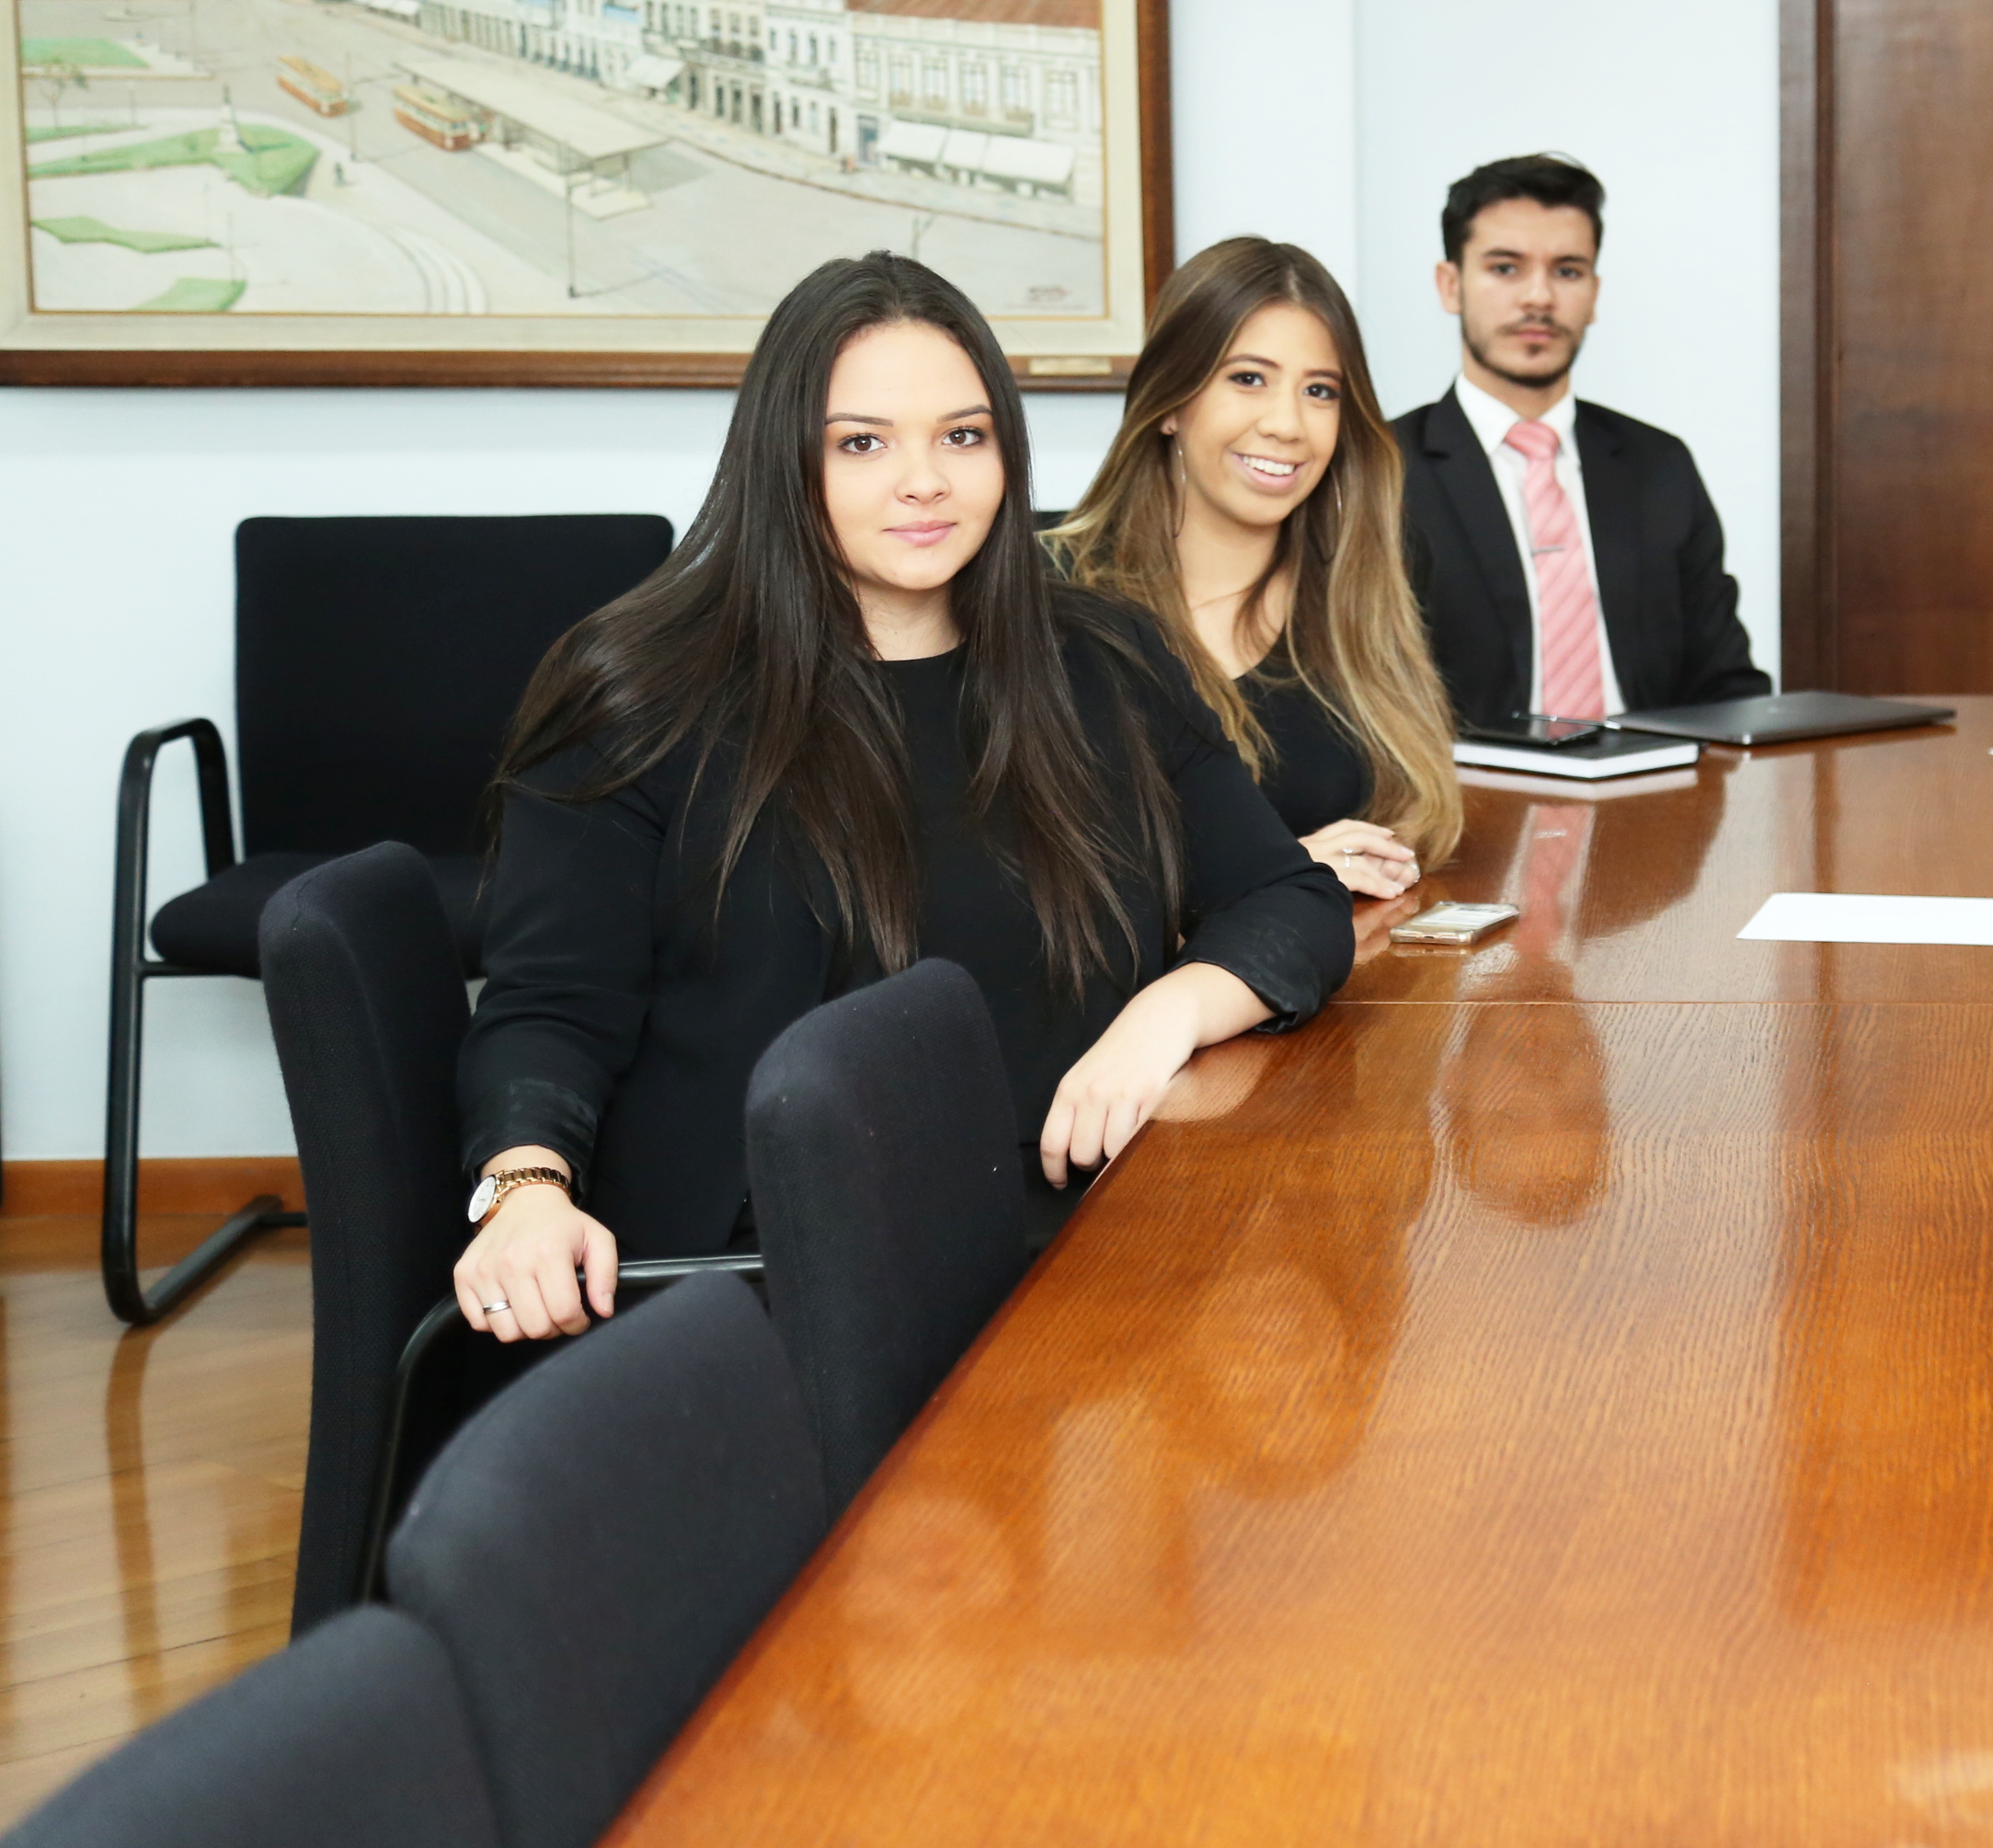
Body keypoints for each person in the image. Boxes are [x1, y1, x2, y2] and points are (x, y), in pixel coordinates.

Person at [450, 253, 1354, 1343]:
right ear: (784, 460)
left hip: (1074, 1252)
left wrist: (1159, 1018)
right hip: (778, 1273)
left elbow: (1289, 902)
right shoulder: (637, 691)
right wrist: (524, 1190)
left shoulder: (1103, 659)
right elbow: (549, 1008)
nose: (924, 481)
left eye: (962, 437)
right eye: (863, 443)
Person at [1050, 236, 1464, 901]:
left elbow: (1418, 814)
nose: (1287, 424)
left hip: (1351, 974)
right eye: (1248, 378)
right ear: (1170, 402)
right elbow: (1031, 884)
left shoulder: (1357, 581)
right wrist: (1279, 871)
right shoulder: (1054, 596)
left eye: (1320, 390)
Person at [1392, 152, 1769, 724]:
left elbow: (1728, 687)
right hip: (1464, 796)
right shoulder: (1384, 469)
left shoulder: (1659, 466)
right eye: (1505, 268)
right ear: (1451, 285)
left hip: (1656, 790)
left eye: (1567, 271)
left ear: (1593, 292)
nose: (1539, 298)